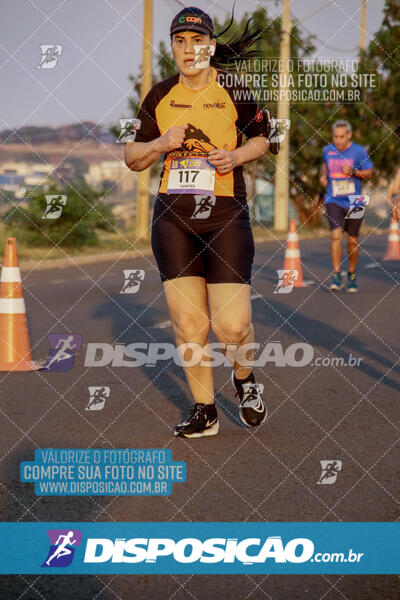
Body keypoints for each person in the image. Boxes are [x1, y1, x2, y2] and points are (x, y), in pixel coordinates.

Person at [125, 6, 271, 438]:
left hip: (225, 215)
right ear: (172, 47)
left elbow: (266, 137)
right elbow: (132, 158)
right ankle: (204, 411)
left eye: (196, 41)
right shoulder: (159, 95)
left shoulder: (232, 90)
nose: (189, 50)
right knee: (188, 324)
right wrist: (158, 143)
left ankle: (243, 379)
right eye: (180, 42)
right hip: (173, 218)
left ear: (209, 45)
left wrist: (237, 155)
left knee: (232, 326)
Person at [319, 120, 373, 292]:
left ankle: (351, 273)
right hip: (333, 199)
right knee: (336, 236)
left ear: (349, 135)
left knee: (352, 240)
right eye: (335, 136)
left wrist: (354, 172)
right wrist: (322, 176)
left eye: (342, 136)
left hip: (356, 200)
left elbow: (369, 173)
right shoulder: (327, 151)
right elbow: (324, 167)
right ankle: (336, 274)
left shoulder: (358, 151)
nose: (338, 140)